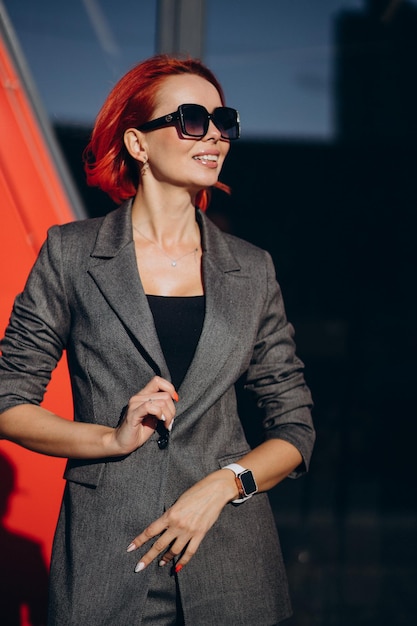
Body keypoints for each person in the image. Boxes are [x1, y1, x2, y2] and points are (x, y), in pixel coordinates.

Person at [0, 54, 315, 625]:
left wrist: (223, 485)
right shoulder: (71, 254)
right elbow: (7, 401)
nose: (214, 134)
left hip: (232, 566)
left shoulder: (252, 268)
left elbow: (294, 428)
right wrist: (110, 441)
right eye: (192, 119)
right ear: (138, 144)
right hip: (105, 563)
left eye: (224, 121)